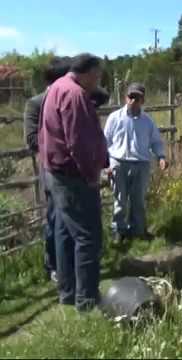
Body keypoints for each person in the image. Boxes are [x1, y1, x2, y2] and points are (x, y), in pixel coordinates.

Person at [24, 57, 110, 284]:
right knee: (56, 221)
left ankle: (69, 274)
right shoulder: (38, 103)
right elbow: (33, 138)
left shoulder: (75, 95)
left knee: (68, 224)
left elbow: (103, 96)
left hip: (67, 169)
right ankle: (56, 267)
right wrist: (57, 148)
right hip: (58, 169)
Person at [104, 83, 167, 244]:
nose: (133, 100)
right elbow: (105, 142)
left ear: (143, 100)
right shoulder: (114, 118)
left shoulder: (147, 122)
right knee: (120, 200)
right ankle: (119, 231)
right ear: (126, 98)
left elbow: (155, 142)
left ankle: (138, 231)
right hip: (119, 162)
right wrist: (106, 165)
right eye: (131, 97)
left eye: (137, 97)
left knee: (138, 200)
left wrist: (161, 157)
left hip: (141, 163)